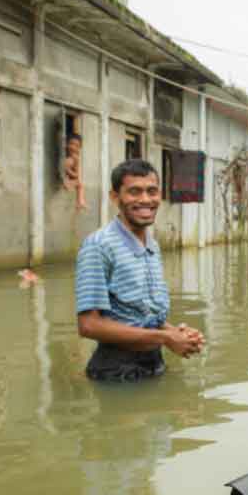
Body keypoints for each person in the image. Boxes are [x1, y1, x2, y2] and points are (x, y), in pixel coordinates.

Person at [75, 159, 205, 382]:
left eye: (151, 191)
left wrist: (176, 333)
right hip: (115, 371)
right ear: (115, 197)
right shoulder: (99, 246)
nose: (145, 199)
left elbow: (142, 315)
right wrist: (165, 338)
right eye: (134, 192)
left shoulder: (151, 245)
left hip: (152, 363)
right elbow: (89, 325)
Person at [63, 133, 88, 210]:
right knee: (79, 184)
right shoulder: (63, 155)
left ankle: (80, 202)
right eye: (71, 144)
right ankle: (80, 202)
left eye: (76, 146)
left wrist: (68, 170)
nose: (73, 147)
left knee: (80, 184)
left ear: (79, 148)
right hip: (63, 179)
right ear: (66, 144)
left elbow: (76, 175)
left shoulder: (75, 159)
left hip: (68, 180)